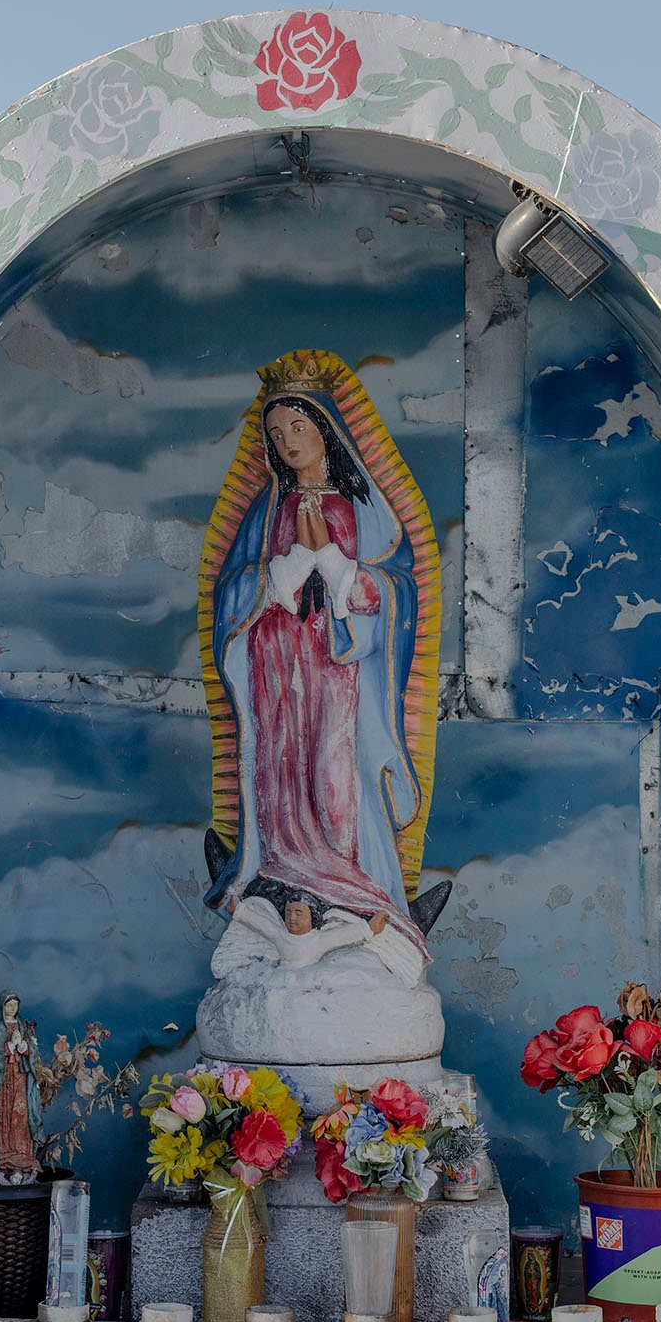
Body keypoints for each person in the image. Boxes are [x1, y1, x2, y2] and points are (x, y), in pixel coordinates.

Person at [201, 351, 440, 957]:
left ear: (326, 431)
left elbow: (397, 590)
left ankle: (352, 889)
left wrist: (337, 568)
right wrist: (280, 572)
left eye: (298, 429)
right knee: (281, 774)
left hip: (339, 667)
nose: (288, 443)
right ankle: (284, 883)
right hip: (278, 667)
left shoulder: (364, 509)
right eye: (276, 434)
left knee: (336, 777)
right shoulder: (268, 510)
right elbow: (230, 591)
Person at [0, 991, 45, 1180]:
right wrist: (9, 1045)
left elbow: (33, 1052)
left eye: (15, 1005)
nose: (12, 1008)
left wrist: (25, 1047)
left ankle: (22, 1158)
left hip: (20, 1077)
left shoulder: (22, 1026)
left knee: (21, 1116)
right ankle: (2, 1160)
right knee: (3, 1115)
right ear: (2, 1006)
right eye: (9, 1005)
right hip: (2, 1081)